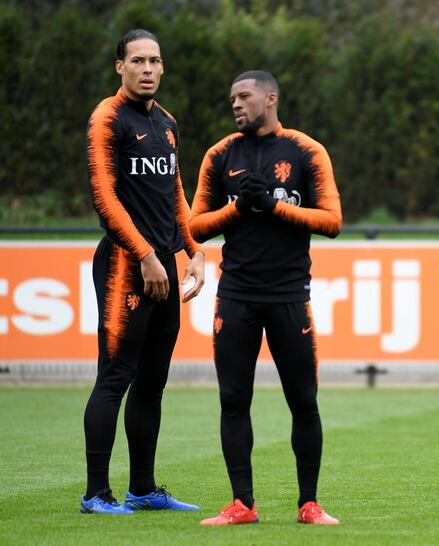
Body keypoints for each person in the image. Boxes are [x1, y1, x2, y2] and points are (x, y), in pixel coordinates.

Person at [190, 70, 342, 526]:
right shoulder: (220, 154)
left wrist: (274, 206)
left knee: (304, 401)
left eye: (244, 96)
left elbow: (333, 220)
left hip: (289, 296)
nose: (235, 105)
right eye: (231, 98)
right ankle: (242, 504)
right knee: (234, 399)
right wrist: (238, 207)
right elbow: (194, 226)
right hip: (235, 295)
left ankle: (309, 504)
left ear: (270, 98)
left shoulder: (305, 150)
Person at [81, 29, 205, 515]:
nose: (148, 69)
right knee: (115, 378)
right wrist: (147, 255)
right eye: (138, 61)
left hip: (164, 268)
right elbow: (104, 198)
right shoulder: (106, 119)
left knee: (153, 380)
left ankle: (143, 489)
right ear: (120, 67)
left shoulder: (168, 123)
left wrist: (193, 248)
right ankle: (95, 494)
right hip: (122, 265)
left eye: (155, 61)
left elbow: (175, 192)